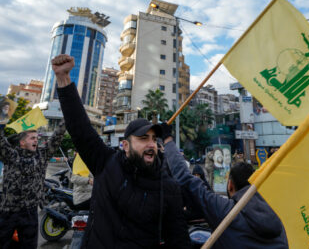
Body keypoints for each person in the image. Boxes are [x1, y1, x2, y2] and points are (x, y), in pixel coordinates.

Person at [52, 54, 190, 248]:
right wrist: (63, 79)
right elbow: (79, 128)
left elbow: (178, 239)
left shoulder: (168, 186)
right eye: (143, 139)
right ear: (125, 146)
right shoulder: (106, 163)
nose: (151, 144)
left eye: (153, 139)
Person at [162, 124, 289, 248]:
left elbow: (185, 178)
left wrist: (167, 139)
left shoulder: (225, 211)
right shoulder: (277, 217)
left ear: (230, 185)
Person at [0, 122, 66, 248]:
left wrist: (66, 121)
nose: (36, 140)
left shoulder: (42, 155)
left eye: (37, 138)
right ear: (22, 142)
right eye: (32, 138)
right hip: (8, 211)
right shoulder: (11, 155)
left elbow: (56, 138)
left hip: (30, 212)